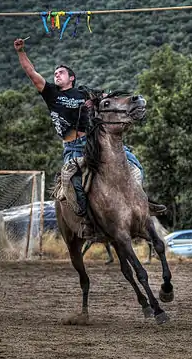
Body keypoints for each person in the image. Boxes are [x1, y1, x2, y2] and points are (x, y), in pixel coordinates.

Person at [14, 38, 166, 238]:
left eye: (60, 73)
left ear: (72, 77)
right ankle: (86, 220)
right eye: (55, 73)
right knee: (73, 181)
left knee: (135, 165)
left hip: (96, 142)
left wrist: (115, 103)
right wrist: (21, 51)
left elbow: (109, 100)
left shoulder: (84, 92)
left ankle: (142, 204)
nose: (56, 75)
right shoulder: (51, 93)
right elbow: (32, 73)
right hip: (74, 147)